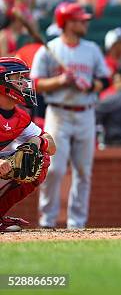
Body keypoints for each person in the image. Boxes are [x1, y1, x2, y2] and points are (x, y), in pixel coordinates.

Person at [31, 2, 110, 229]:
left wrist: (90, 85)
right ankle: (47, 220)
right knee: (54, 168)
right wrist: (61, 81)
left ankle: (77, 223)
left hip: (86, 112)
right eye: (79, 20)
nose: (84, 23)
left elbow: (105, 80)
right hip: (58, 112)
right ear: (66, 23)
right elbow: (34, 84)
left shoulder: (92, 49)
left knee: (83, 170)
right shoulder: (50, 48)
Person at [0, 57, 56, 232]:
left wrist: (38, 141)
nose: (24, 83)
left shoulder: (21, 117)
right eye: (18, 78)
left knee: (39, 159)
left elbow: (52, 146)